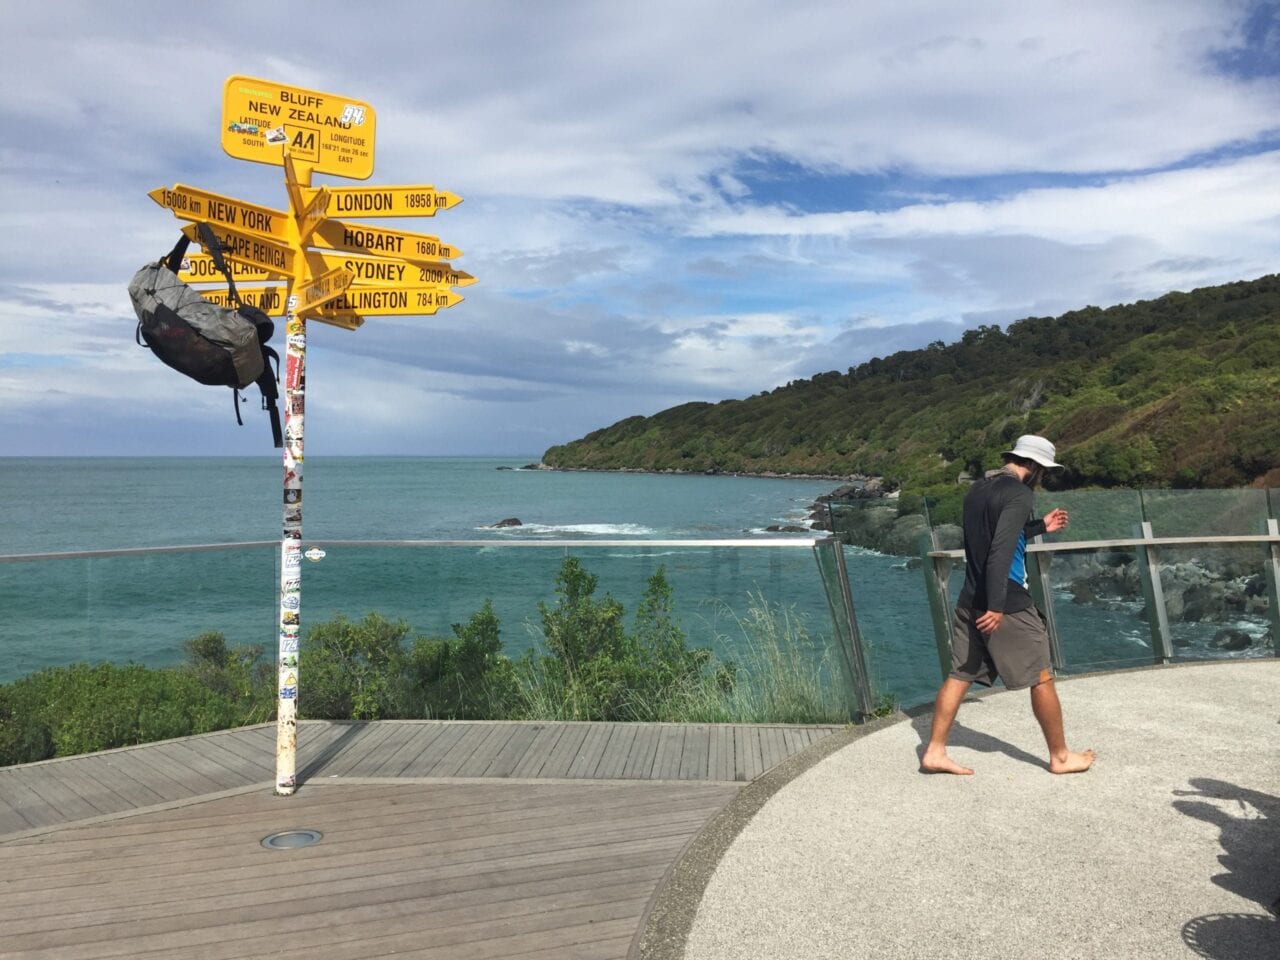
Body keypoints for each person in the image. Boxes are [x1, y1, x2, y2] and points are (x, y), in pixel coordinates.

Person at [920, 434, 1095, 775]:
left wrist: (1039, 526)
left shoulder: (977, 490)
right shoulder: (1020, 493)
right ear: (1032, 466)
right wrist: (998, 605)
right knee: (1041, 675)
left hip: (970, 597)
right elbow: (1000, 550)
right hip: (1006, 600)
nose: (1042, 477)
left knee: (960, 674)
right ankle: (1060, 757)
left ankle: (935, 751)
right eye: (1043, 470)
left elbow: (990, 538)